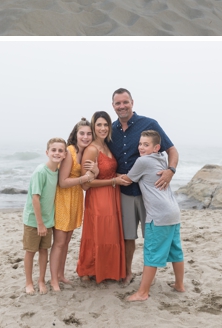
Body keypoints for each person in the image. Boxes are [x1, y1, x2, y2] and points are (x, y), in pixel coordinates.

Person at [108, 88, 177, 282]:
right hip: (124, 192)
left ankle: (149, 275)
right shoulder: (110, 130)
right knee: (127, 237)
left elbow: (172, 149)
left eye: (125, 102)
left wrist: (170, 171)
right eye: (118, 103)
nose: (122, 106)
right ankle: (128, 272)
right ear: (113, 106)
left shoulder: (149, 124)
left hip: (150, 194)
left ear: (132, 102)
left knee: (151, 237)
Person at [124, 130, 186, 302]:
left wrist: (109, 178)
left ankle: (142, 292)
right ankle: (179, 285)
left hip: (158, 215)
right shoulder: (161, 158)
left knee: (152, 252)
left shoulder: (142, 161)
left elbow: (128, 179)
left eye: (146, 145)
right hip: (173, 211)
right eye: (140, 144)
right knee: (176, 250)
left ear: (156, 147)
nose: (141, 148)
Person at [76, 111, 126, 283]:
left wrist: (120, 177)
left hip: (112, 196)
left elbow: (110, 170)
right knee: (98, 234)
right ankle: (90, 270)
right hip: (98, 198)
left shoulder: (107, 146)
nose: (103, 128)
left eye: (106, 125)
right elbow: (86, 184)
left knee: (109, 235)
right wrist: (113, 180)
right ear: (93, 126)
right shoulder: (91, 150)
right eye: (99, 125)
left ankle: (106, 271)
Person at [51, 119, 93, 288]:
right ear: (76, 134)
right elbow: (62, 181)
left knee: (67, 241)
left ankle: (60, 275)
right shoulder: (70, 152)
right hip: (64, 199)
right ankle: (54, 279)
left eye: (89, 134)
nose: (85, 136)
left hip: (75, 198)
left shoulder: (85, 152)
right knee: (59, 242)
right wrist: (84, 178)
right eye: (82, 133)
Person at [24, 138, 64, 295]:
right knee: (30, 251)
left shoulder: (57, 171)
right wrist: (40, 223)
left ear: (64, 154)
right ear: (47, 153)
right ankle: (29, 282)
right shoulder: (41, 171)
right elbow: (35, 198)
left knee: (43, 250)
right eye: (54, 150)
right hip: (34, 220)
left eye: (60, 150)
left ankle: (41, 280)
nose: (57, 153)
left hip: (48, 220)